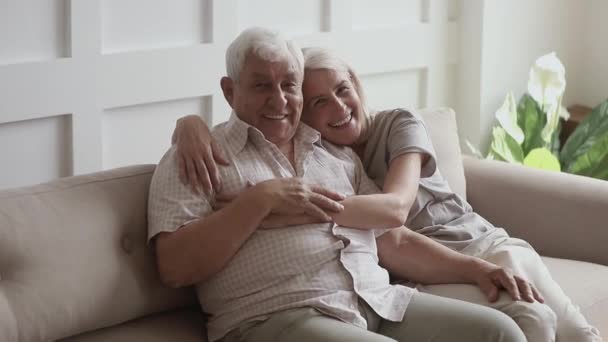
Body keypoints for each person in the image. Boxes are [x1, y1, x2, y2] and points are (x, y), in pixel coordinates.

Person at [172, 43, 604, 342]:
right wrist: (188, 123)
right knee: (524, 321)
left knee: (553, 326)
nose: (338, 107)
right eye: (318, 101)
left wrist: (279, 207)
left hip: (479, 246)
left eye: (342, 91)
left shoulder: (395, 126)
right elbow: (390, 244)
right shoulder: (316, 152)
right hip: (403, 278)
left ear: (356, 85)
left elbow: (394, 212)